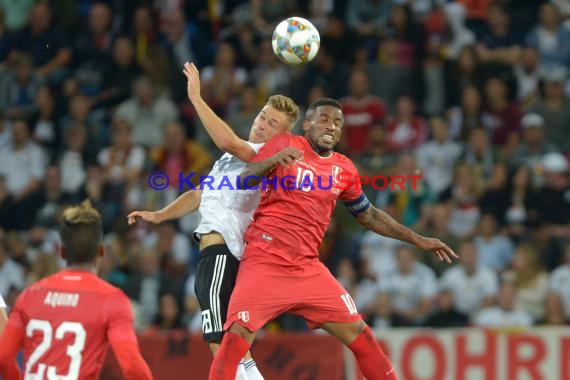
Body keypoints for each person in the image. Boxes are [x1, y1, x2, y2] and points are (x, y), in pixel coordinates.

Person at [209, 98, 458, 380]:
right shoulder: (284, 144)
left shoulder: (344, 170)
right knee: (234, 341)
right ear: (307, 125)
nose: (331, 126)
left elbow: (370, 216)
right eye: (325, 119)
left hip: (307, 270)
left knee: (363, 337)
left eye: (338, 122)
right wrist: (271, 161)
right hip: (265, 262)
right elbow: (242, 181)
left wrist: (419, 240)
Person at [127, 62, 300, 379]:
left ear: (283, 136)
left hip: (223, 251)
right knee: (227, 340)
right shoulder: (233, 157)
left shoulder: (263, 155)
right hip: (214, 252)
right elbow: (199, 194)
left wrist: (195, 97)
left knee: (217, 339)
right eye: (262, 116)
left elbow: (227, 140)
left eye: (272, 123)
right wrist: (159, 215)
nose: (261, 125)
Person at [0, 201, 153, 380]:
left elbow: (3, 357)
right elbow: (132, 367)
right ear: (101, 250)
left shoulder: (29, 295)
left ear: (63, 252)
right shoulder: (111, 298)